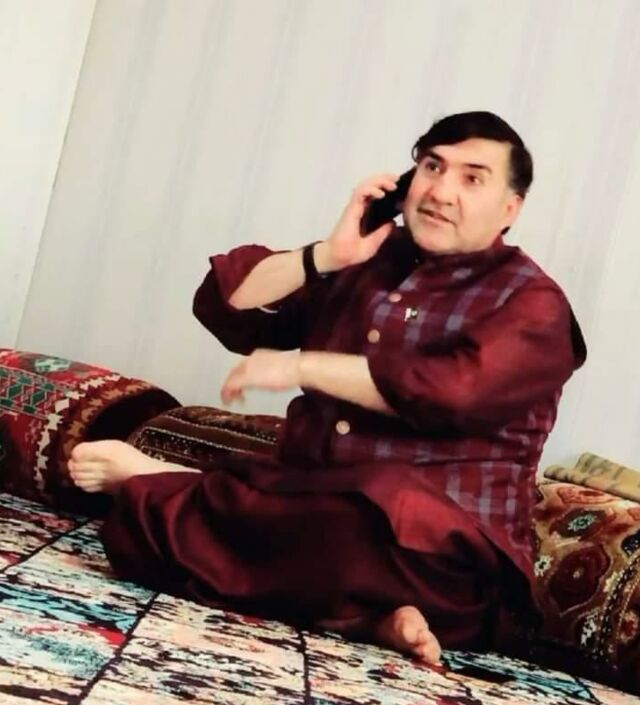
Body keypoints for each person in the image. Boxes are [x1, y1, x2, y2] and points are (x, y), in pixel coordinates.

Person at [68, 111, 586, 665]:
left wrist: (303, 367)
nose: (441, 191)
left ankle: (182, 492)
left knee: (360, 511)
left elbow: (451, 392)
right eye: (432, 167)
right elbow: (229, 304)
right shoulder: (368, 258)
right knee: (139, 534)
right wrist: (326, 257)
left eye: (472, 178)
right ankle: (367, 619)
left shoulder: (533, 304)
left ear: (510, 209)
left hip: (440, 558)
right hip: (313, 511)